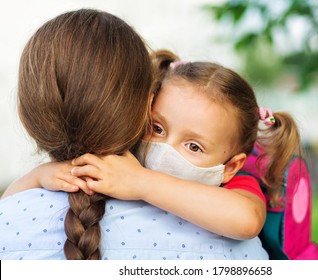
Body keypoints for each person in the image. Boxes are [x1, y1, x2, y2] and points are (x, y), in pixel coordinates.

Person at [0, 9, 268, 260]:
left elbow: (247, 219)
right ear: (145, 110)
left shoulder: (132, 177)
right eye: (158, 128)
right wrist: (38, 175)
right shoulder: (119, 173)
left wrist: (142, 182)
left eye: (194, 146)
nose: (166, 149)